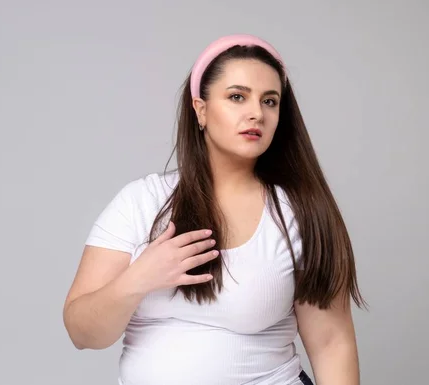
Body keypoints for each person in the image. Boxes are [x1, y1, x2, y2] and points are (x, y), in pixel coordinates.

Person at [63, 34, 367, 385]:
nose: (256, 113)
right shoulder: (140, 203)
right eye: (237, 97)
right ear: (201, 109)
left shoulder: (300, 213)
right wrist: (137, 279)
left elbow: (332, 344)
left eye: (270, 101)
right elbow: (82, 334)